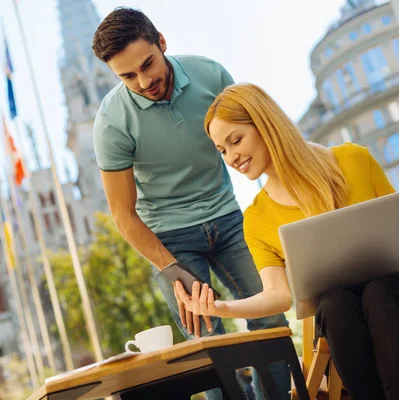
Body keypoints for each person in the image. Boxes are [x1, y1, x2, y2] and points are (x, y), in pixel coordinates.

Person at [174, 82, 399, 400]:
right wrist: (221, 308)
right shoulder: (257, 218)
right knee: (335, 301)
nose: (231, 157)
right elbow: (278, 296)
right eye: (222, 150)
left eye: (236, 140)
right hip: (339, 322)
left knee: (379, 293)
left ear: (265, 124)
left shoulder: (353, 160)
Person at [91, 7, 289, 400]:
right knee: (206, 345)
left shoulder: (211, 76)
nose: (144, 81)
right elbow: (124, 215)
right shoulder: (111, 123)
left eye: (147, 64)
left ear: (162, 42)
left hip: (230, 220)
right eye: (128, 76)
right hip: (168, 239)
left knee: (270, 319)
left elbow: (258, 145)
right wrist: (170, 268)